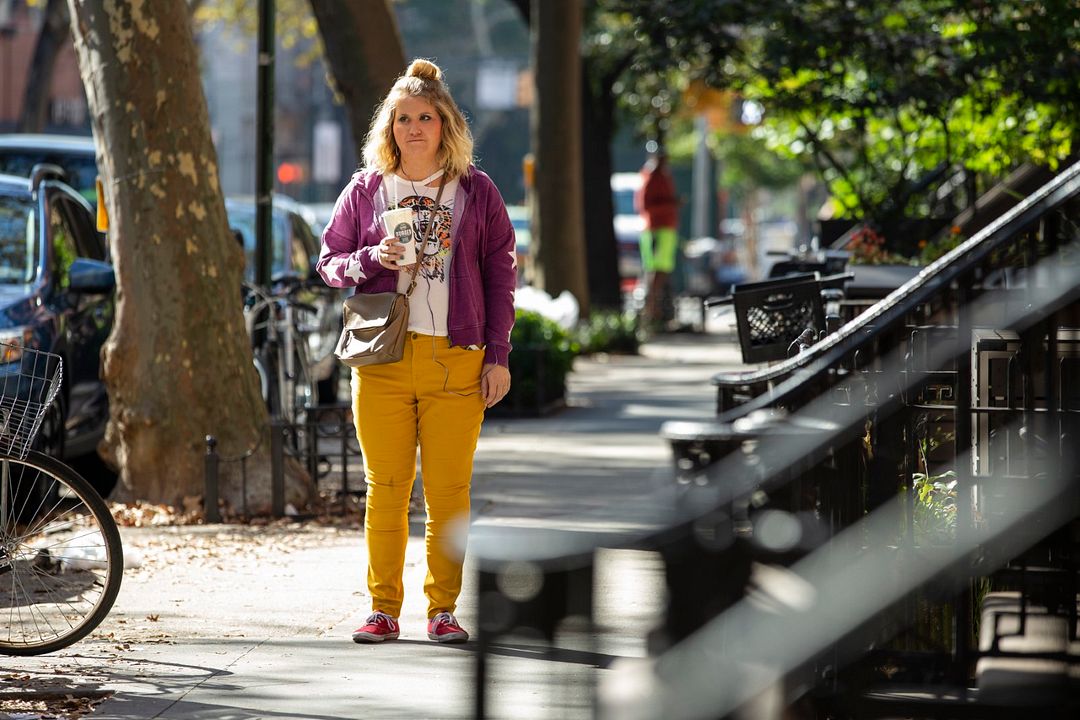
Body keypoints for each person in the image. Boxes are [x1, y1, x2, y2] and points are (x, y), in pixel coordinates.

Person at [316, 58, 516, 644]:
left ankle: (443, 609)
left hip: (457, 358)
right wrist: (369, 259)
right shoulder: (366, 189)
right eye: (402, 118)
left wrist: (498, 355)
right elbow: (329, 263)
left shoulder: (475, 191)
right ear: (390, 127)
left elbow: (501, 273)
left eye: (425, 117)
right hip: (381, 358)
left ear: (445, 123)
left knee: (449, 493)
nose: (414, 128)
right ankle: (382, 609)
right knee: (386, 490)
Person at [635, 149, 680, 329]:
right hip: (656, 229)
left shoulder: (663, 176)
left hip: (665, 229)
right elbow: (645, 206)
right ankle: (651, 314)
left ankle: (657, 313)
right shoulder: (651, 177)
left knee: (662, 272)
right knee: (655, 273)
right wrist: (671, 204)